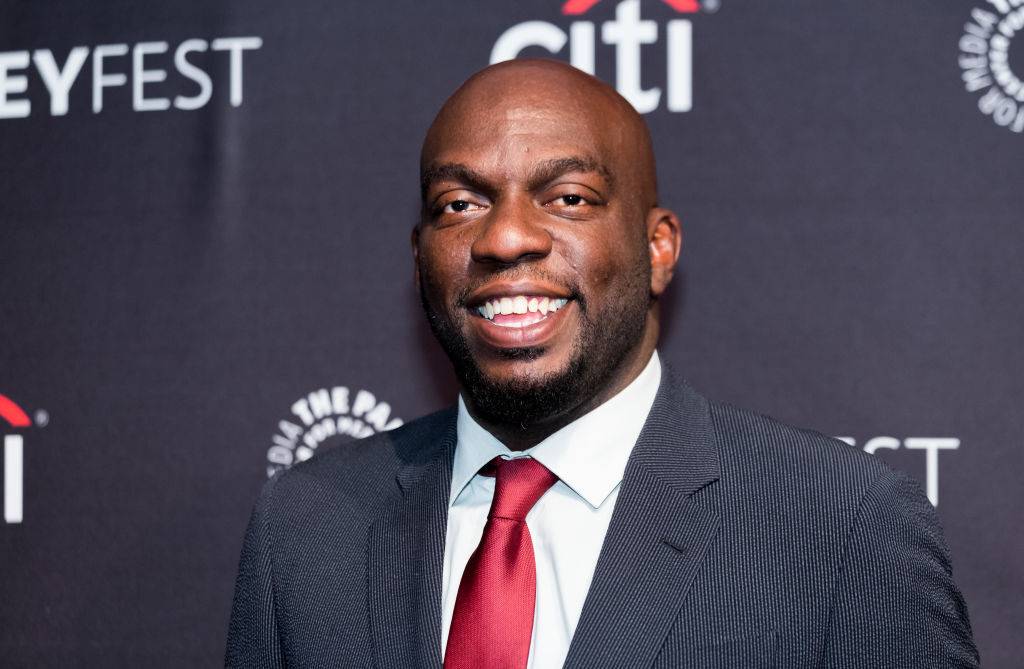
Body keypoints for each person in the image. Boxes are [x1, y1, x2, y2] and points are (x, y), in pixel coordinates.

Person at [226, 59, 978, 668]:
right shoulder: (304, 529)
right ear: (419, 254)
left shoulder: (842, 527)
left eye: (569, 197)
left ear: (658, 248)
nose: (506, 237)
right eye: (459, 204)